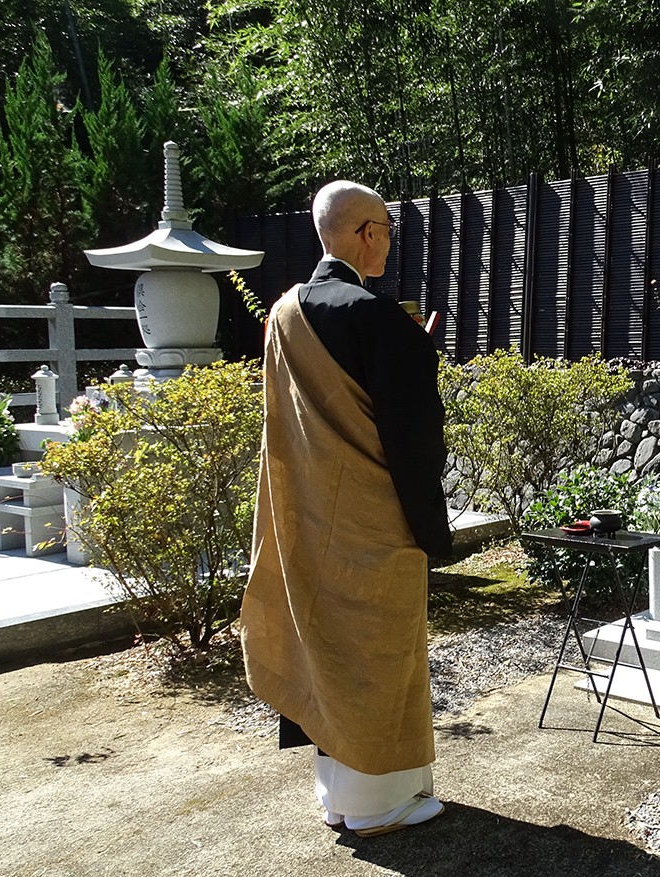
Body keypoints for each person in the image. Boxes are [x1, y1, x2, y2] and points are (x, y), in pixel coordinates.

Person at [240, 180, 453, 837]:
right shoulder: (373, 316)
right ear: (365, 234)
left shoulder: (282, 312)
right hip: (372, 521)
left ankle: (338, 795)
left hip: (308, 516)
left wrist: (404, 345)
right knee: (378, 653)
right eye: (385, 227)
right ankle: (378, 804)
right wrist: (417, 347)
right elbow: (412, 433)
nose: (388, 239)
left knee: (329, 651)